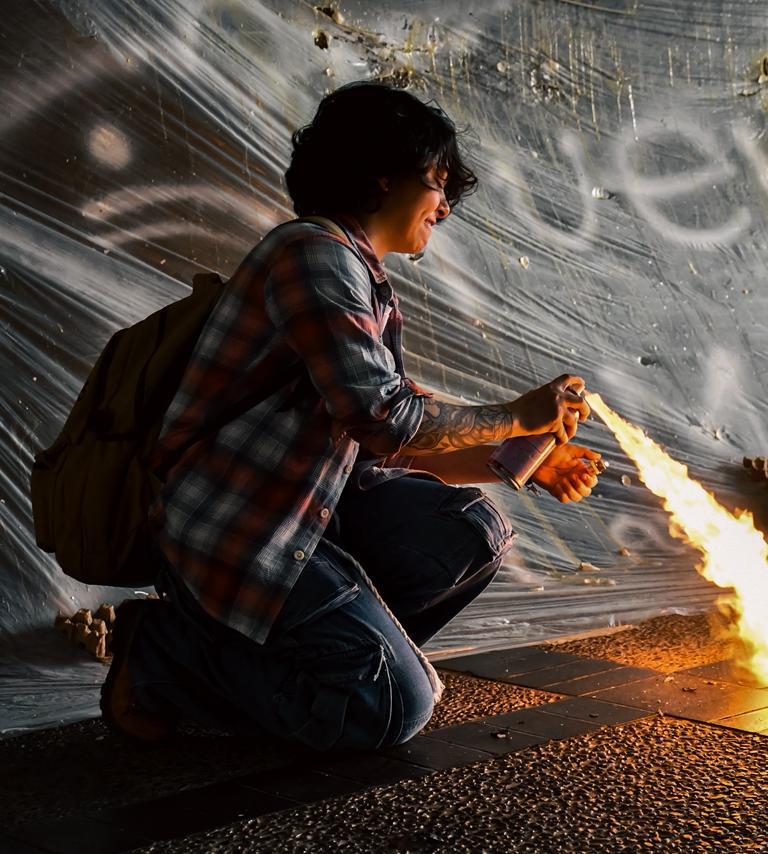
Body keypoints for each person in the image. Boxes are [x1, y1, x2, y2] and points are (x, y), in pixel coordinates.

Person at [99, 81, 600, 750]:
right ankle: (167, 652)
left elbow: (387, 447)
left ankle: (329, 668)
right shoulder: (313, 253)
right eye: (436, 182)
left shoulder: (357, 275)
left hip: (305, 514)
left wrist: (527, 458)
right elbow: (390, 419)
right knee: (394, 709)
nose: (444, 207)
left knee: (472, 529)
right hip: (245, 527)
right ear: (378, 174)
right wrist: (515, 415)